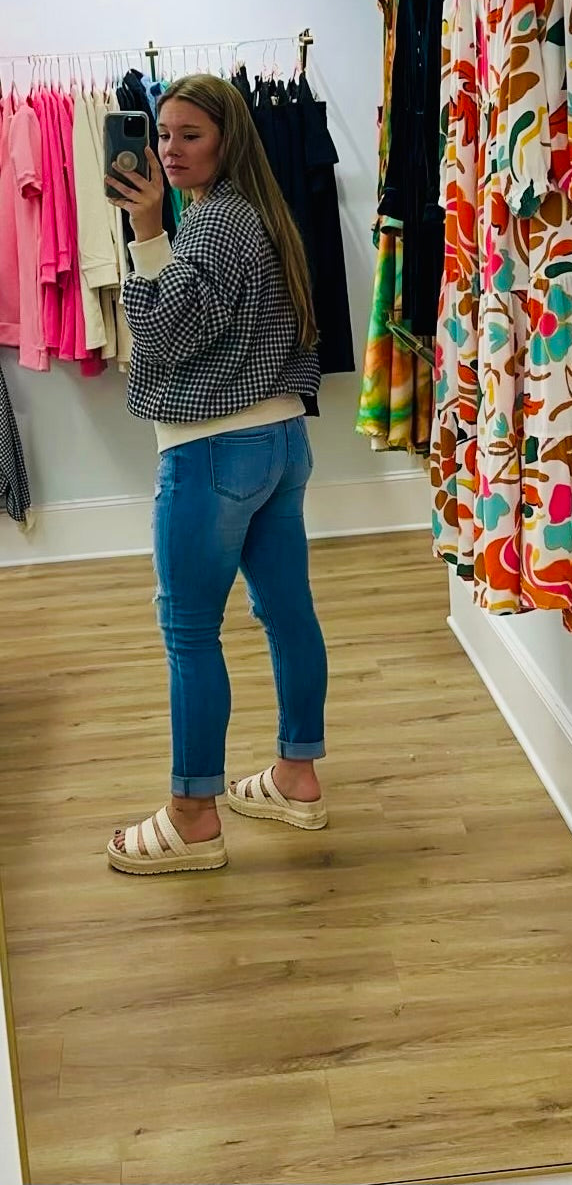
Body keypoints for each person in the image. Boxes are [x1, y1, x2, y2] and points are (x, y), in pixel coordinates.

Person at [104, 75, 329, 876]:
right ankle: (297, 776)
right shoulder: (260, 214)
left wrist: (145, 228)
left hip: (212, 450)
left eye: (190, 134)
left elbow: (162, 335)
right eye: (162, 133)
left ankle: (194, 815)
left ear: (227, 139)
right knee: (285, 611)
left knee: (190, 631)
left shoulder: (210, 225)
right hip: (279, 441)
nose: (169, 149)